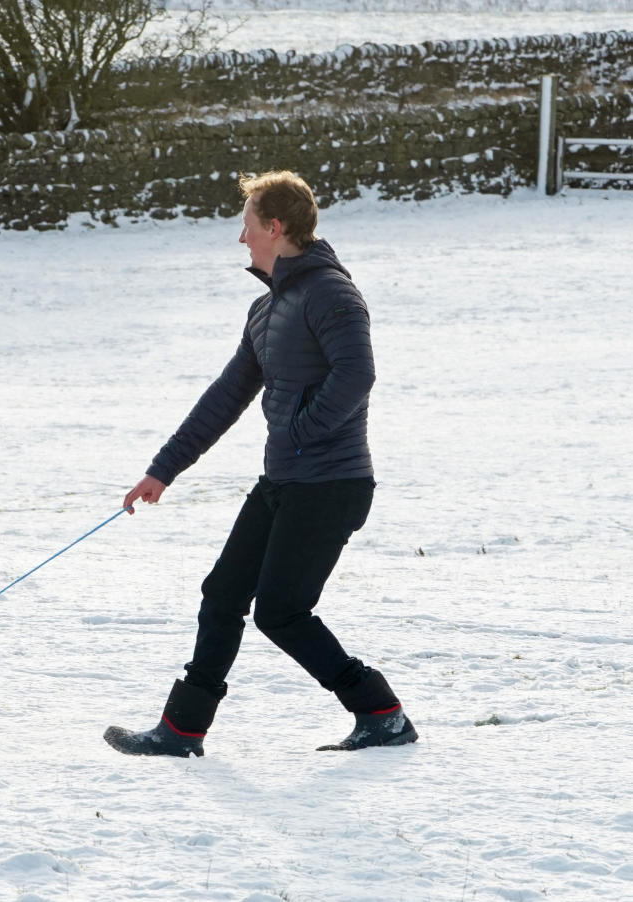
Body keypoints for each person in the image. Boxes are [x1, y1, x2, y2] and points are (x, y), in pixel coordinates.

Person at [104, 171, 417, 757]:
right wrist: (163, 469)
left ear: (275, 228)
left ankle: (380, 710)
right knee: (223, 594)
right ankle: (182, 730)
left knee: (282, 611)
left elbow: (358, 374)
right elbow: (226, 395)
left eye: (247, 226)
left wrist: (300, 431)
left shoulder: (332, 294)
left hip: (332, 484)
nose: (241, 239)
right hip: (285, 481)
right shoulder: (267, 308)